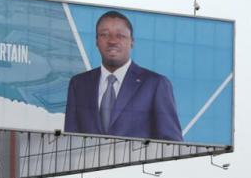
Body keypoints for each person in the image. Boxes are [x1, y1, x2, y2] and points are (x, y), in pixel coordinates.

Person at [64, 10, 183, 142]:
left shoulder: (155, 84)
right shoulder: (79, 84)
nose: (112, 41)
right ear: (97, 41)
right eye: (104, 34)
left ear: (132, 41)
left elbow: (171, 144)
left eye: (120, 35)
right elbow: (70, 141)